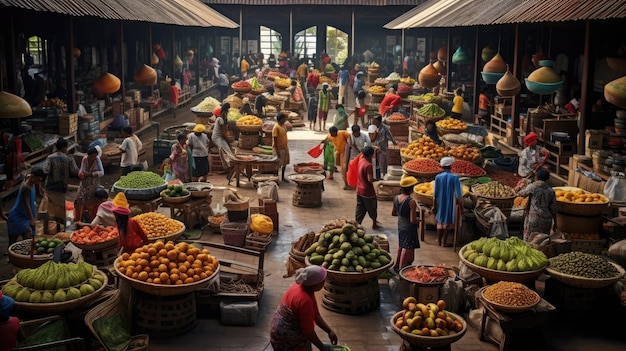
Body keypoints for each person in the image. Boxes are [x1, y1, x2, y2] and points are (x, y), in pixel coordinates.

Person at [270, 265, 338, 351]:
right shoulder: (304, 300)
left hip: (278, 329)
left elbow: (316, 315)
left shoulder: (305, 287)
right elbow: (308, 331)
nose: (324, 281)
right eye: (322, 280)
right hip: (284, 337)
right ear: (315, 284)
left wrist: (329, 331)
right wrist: (322, 347)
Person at [42, 138, 79, 226]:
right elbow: (75, 171)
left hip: (50, 186)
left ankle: (49, 225)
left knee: (50, 207)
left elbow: (45, 170)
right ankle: (60, 226)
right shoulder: (68, 158)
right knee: (60, 207)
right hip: (61, 187)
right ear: (64, 148)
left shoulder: (50, 157)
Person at [516, 167, 557, 241]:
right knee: (542, 241)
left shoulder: (532, 187)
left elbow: (520, 194)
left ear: (536, 177)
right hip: (546, 220)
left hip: (534, 219)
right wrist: (555, 223)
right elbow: (553, 209)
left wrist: (519, 187)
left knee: (530, 241)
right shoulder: (551, 191)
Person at [7, 167, 44, 245]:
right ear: (33, 177)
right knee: (13, 242)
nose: (39, 181)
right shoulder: (26, 187)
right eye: (38, 179)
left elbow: (40, 193)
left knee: (28, 242)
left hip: (25, 217)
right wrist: (31, 219)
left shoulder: (32, 181)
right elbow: (27, 204)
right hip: (17, 217)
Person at [433, 157, 463, 247]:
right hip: (451, 202)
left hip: (441, 202)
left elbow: (435, 194)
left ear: (442, 166)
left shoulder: (438, 177)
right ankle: (444, 242)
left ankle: (439, 241)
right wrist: (462, 207)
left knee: (440, 220)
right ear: (451, 166)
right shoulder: (455, 177)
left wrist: (434, 205)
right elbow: (459, 195)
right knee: (448, 221)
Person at [392, 176, 420, 271]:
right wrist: (419, 221)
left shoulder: (396, 198)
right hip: (409, 228)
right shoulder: (411, 201)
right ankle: (402, 268)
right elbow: (412, 220)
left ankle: (396, 265)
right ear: (411, 189)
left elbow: (393, 213)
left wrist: (402, 214)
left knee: (401, 245)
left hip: (400, 225)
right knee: (407, 248)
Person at [75, 147, 104, 223]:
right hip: (84, 184)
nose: (93, 158)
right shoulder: (85, 159)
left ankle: (92, 219)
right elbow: (82, 169)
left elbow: (101, 172)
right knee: (79, 199)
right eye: (92, 156)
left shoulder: (97, 160)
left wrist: (91, 174)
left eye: (95, 156)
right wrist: (81, 174)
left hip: (94, 184)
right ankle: (80, 219)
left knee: (91, 201)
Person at [355, 146, 380, 229]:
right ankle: (374, 223)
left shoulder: (361, 160)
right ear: (370, 155)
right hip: (367, 191)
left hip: (359, 189)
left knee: (360, 208)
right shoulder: (368, 165)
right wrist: (377, 179)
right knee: (372, 208)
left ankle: (357, 223)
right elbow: (370, 179)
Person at [273, 112, 290, 182]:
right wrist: (277, 150)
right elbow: (275, 139)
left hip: (285, 147)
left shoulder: (283, 126)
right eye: (284, 119)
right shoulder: (276, 127)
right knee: (278, 164)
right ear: (280, 119)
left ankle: (282, 177)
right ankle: (276, 178)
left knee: (284, 163)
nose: (285, 120)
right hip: (279, 148)